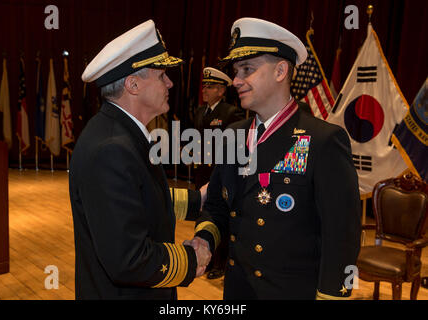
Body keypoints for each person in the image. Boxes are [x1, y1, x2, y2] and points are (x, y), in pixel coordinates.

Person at [189, 17, 361, 300]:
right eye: (235, 71)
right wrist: (205, 240)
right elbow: (218, 207)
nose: (235, 81)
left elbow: (343, 234)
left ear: (281, 70)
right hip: (237, 290)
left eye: (247, 69)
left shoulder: (323, 140)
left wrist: (332, 295)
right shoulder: (233, 135)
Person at [69, 19, 211, 300]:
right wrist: (192, 260)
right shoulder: (111, 148)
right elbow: (129, 259)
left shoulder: (121, 133)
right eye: (161, 76)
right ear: (133, 84)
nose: (170, 82)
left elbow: (138, 199)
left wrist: (199, 200)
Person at [193, 67, 243, 280]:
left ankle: (220, 263)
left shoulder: (230, 113)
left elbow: (234, 147)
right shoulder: (199, 111)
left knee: (221, 215)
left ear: (222, 91)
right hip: (201, 171)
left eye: (210, 86)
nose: (205, 90)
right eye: (204, 86)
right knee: (205, 215)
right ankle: (206, 256)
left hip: (219, 171)